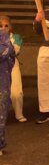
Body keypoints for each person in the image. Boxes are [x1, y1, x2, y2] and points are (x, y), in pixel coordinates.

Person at [0, 16, 26, 122]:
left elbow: (13, 51)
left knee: (16, 92)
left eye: (6, 25)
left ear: (10, 27)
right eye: (0, 25)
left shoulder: (16, 37)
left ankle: (19, 114)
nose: (3, 28)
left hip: (12, 66)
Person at [0, 18, 15, 155]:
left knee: (1, 113)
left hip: (3, 80)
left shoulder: (5, 38)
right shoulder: (4, 38)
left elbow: (9, 55)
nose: (3, 28)